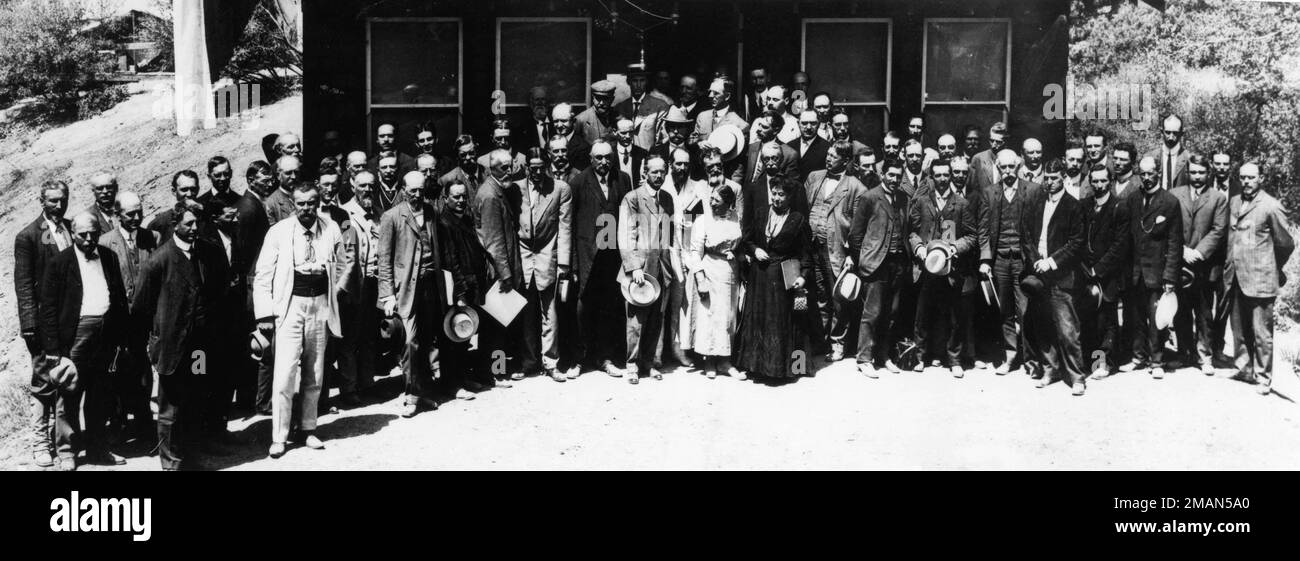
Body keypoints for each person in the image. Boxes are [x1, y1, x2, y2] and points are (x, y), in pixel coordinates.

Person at [253, 181, 349, 457]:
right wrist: (265, 315)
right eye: (301, 203)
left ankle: (308, 428)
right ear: (294, 205)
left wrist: (335, 292)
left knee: (315, 370)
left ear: (318, 201)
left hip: (319, 304)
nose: (307, 208)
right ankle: (280, 436)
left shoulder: (330, 227)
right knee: (284, 374)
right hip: (290, 305)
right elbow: (263, 275)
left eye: (311, 202)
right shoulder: (279, 232)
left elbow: (341, 263)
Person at [133, 200, 229, 470]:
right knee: (170, 406)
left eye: (197, 222)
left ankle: (191, 451)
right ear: (175, 225)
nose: (194, 228)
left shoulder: (206, 253)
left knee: (196, 395)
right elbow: (142, 306)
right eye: (189, 223)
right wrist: (154, 340)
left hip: (199, 348)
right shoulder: (159, 260)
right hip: (173, 347)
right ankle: (171, 462)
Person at [38, 212, 131, 469]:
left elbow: (120, 298)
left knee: (100, 394)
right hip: (75, 334)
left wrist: (121, 338)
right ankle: (67, 451)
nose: (89, 239)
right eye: (83, 235)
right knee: (68, 394)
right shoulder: (60, 263)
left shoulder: (109, 257)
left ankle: (97, 448)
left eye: (93, 234)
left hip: (105, 334)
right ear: (74, 234)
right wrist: (55, 351)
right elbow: (47, 310)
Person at [378, 172, 449, 417]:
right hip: (406, 288)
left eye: (420, 190)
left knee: (429, 340)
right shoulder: (392, 217)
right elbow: (384, 259)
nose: (417, 195)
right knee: (410, 341)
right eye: (412, 190)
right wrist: (387, 294)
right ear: (403, 190)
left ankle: (425, 392)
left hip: (431, 285)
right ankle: (410, 394)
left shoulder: (431, 213)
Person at [16, 181, 74, 469]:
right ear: (42, 201)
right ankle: (40, 442)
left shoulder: (72, 228)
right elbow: (24, 285)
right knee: (43, 382)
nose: (58, 205)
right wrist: (29, 325)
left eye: (62, 200)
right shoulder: (28, 236)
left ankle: (66, 440)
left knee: (67, 379)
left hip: (70, 320)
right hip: (42, 323)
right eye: (52, 201)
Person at [1223, 162, 1294, 395]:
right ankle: (1244, 368)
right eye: (1242, 177)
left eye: (1251, 177)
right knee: (1239, 327)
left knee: (1262, 331)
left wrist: (1272, 267)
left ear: (1261, 178)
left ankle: (1263, 377)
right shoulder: (1233, 201)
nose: (1246, 181)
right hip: (1236, 276)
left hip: (1261, 278)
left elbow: (1285, 243)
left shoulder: (1271, 206)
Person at [1018, 159, 1088, 395]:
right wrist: (1035, 261)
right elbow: (1025, 235)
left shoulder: (1073, 206)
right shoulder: (1036, 202)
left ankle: (1077, 376)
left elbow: (1077, 243)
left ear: (1064, 178)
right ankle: (1051, 369)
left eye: (1054, 178)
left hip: (1062, 277)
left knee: (1068, 329)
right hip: (1038, 275)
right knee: (1042, 326)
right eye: (1046, 178)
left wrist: (1052, 261)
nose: (1049, 182)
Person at [735, 176, 812, 381]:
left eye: (782, 194)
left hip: (783, 277)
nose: (777, 198)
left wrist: (803, 277)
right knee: (757, 321)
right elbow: (747, 240)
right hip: (759, 276)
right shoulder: (761, 214)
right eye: (775, 194)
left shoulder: (798, 220)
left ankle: (788, 368)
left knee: (783, 322)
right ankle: (754, 367)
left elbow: (806, 254)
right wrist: (755, 249)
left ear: (789, 196)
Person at [908, 159, 979, 377]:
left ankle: (954, 359)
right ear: (931, 177)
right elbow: (912, 231)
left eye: (945, 175)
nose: (941, 179)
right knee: (923, 314)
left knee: (954, 316)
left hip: (951, 269)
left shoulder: (961, 203)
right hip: (926, 268)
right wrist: (919, 247)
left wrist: (954, 248)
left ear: (950, 176)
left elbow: (972, 236)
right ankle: (920, 357)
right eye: (937, 175)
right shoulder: (921, 201)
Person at [97, 191, 159, 436]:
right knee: (121, 369)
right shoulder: (104, 241)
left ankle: (145, 418)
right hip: (120, 320)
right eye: (129, 214)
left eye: (139, 211)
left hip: (148, 317)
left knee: (146, 368)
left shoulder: (152, 237)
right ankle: (120, 420)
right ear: (117, 214)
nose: (136, 217)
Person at [1118, 157, 1183, 379]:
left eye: (1150, 173)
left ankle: (1157, 360)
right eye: (1142, 174)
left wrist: (1170, 276)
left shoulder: (1170, 202)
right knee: (1135, 317)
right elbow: (1126, 237)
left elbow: (1175, 243)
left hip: (1157, 271)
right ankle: (1138, 357)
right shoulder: (1133, 199)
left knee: (1157, 318)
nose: (1146, 178)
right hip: (1134, 272)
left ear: (1158, 174)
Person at [570, 141, 631, 378]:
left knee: (609, 308)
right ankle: (579, 360)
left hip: (613, 256)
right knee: (582, 310)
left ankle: (605, 358)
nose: (604, 162)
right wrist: (574, 264)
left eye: (608, 157)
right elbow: (571, 225)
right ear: (590, 158)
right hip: (587, 255)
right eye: (599, 158)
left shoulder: (623, 179)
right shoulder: (578, 182)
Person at [978, 149, 1042, 375]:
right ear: (997, 168)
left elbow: (1038, 228)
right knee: (1004, 310)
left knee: (1025, 311)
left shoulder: (1033, 191)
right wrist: (985, 259)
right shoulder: (989, 193)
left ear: (1018, 166)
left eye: (1011, 167)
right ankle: (1010, 355)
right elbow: (983, 230)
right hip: (1000, 261)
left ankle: (1031, 360)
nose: (1007, 171)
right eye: (1002, 167)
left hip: (1024, 262)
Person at [513, 149, 573, 383]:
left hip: (548, 255)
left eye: (541, 167)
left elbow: (565, 227)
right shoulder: (515, 188)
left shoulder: (560, 189)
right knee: (526, 312)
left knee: (550, 312)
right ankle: (529, 362)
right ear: (526, 166)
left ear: (547, 166)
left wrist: (564, 263)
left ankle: (551, 362)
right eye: (532, 167)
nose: (536, 173)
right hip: (522, 256)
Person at [805, 140, 868, 362]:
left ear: (846, 160)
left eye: (834, 156)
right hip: (811, 246)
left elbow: (859, 227)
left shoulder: (856, 187)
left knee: (840, 298)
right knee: (818, 296)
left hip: (837, 249)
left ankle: (838, 343)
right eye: (828, 154)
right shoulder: (814, 177)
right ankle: (820, 341)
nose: (828, 158)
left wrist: (852, 254)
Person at [848, 160, 911, 377]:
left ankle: (883, 356)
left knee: (891, 313)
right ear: (882, 173)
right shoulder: (869, 197)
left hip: (898, 263)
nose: (894, 180)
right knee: (872, 312)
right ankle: (864, 358)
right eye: (890, 175)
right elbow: (856, 235)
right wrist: (863, 261)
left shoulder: (903, 198)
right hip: (876, 263)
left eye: (898, 176)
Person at [618, 154, 676, 383]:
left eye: (662, 171)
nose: (659, 176)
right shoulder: (633, 198)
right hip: (640, 268)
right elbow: (625, 234)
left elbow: (669, 234)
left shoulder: (668, 199)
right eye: (654, 172)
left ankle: (649, 362)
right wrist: (634, 267)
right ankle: (632, 364)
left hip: (662, 267)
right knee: (636, 320)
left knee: (656, 319)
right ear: (644, 173)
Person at [1170, 154, 1228, 374]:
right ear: (1187, 172)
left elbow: (1218, 230)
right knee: (1181, 311)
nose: (1196, 176)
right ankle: (1183, 353)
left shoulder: (1217, 198)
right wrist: (1182, 250)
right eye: (1193, 172)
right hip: (1180, 262)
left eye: (1201, 172)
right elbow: (1170, 227)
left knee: (1204, 313)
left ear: (1208, 173)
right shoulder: (1175, 195)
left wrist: (1199, 252)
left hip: (1204, 266)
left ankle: (1205, 357)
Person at [437, 180, 493, 397]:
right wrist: (459, 293)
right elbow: (451, 261)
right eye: (455, 197)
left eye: (463, 196)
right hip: (458, 287)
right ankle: (453, 384)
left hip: (474, 283)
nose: (460, 201)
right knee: (453, 337)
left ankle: (464, 378)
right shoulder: (444, 223)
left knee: (465, 336)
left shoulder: (467, 219)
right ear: (446, 198)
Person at [476, 150, 527, 384]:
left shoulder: (498, 190)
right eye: (503, 167)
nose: (509, 171)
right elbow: (493, 240)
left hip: (502, 269)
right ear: (491, 169)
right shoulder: (489, 195)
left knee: (501, 324)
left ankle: (496, 369)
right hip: (497, 272)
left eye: (510, 166)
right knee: (497, 326)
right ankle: (497, 372)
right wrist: (505, 274)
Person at [685, 183, 743, 378]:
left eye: (717, 201)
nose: (711, 203)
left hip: (730, 272)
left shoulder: (736, 218)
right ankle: (709, 361)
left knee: (728, 316)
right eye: (711, 199)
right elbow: (695, 252)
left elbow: (739, 244)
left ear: (728, 203)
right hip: (710, 269)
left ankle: (725, 362)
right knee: (710, 316)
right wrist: (700, 278)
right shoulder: (702, 221)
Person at [1079, 165, 1131, 380]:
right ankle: (1088, 360)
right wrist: (1084, 269)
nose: (1099, 185)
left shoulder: (1119, 207)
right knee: (1089, 318)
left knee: (1106, 320)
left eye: (1103, 181)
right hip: (1085, 273)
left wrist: (1098, 270)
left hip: (1108, 274)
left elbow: (1120, 246)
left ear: (1110, 181)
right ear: (1090, 182)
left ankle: (1104, 362)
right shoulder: (1084, 206)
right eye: (1095, 181)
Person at [339, 170, 381, 400]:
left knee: (369, 334)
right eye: (362, 185)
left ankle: (368, 382)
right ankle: (349, 388)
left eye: (371, 186)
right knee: (350, 337)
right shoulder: (345, 213)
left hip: (375, 282)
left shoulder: (378, 213)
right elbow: (347, 253)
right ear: (353, 185)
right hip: (357, 284)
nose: (367, 190)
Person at [614, 63, 671, 151]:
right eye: (634, 81)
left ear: (647, 82)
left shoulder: (660, 106)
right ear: (628, 82)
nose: (638, 85)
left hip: (648, 157)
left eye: (642, 80)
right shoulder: (620, 107)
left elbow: (662, 139)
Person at [147, 170, 202, 240]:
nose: (189, 194)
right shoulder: (159, 224)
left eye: (193, 189)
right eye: (184, 190)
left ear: (198, 189)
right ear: (174, 191)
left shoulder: (207, 216)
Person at [1143, 114, 1190, 191]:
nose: (1171, 137)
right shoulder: (1149, 157)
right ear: (1162, 131)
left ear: (1182, 133)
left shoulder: (1188, 158)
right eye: (1167, 132)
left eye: (1175, 133)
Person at [788, 109, 830, 183]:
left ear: (819, 124)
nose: (808, 127)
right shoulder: (789, 146)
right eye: (804, 123)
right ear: (798, 123)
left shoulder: (827, 148)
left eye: (813, 123)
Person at [550, 103, 592, 171]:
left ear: (573, 121)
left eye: (564, 121)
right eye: (556, 121)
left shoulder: (583, 148)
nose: (559, 125)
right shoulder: (549, 144)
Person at [263, 156, 302, 225]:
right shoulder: (270, 204)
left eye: (296, 172)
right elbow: (274, 233)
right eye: (288, 173)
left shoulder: (308, 193)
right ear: (278, 175)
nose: (294, 177)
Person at [969, 122, 1009, 191]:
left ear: (1005, 142)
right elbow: (973, 189)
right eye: (991, 141)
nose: (993, 145)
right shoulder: (978, 159)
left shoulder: (1015, 160)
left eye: (998, 142)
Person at [576, 80, 618, 145]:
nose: (601, 103)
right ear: (593, 98)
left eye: (605, 98)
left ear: (612, 99)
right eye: (598, 98)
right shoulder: (581, 120)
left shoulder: (618, 118)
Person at [614, 118, 647, 188]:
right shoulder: (610, 154)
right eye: (623, 133)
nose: (628, 136)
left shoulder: (642, 153)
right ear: (615, 132)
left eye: (631, 132)